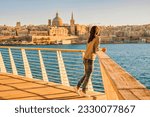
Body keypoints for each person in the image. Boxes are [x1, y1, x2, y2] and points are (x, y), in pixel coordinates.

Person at [75, 26, 100, 97]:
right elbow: (95, 50)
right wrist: (102, 50)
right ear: (97, 31)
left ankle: (77, 87)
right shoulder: (97, 38)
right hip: (90, 59)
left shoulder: (90, 39)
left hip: (85, 58)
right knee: (88, 74)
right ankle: (83, 90)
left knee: (86, 74)